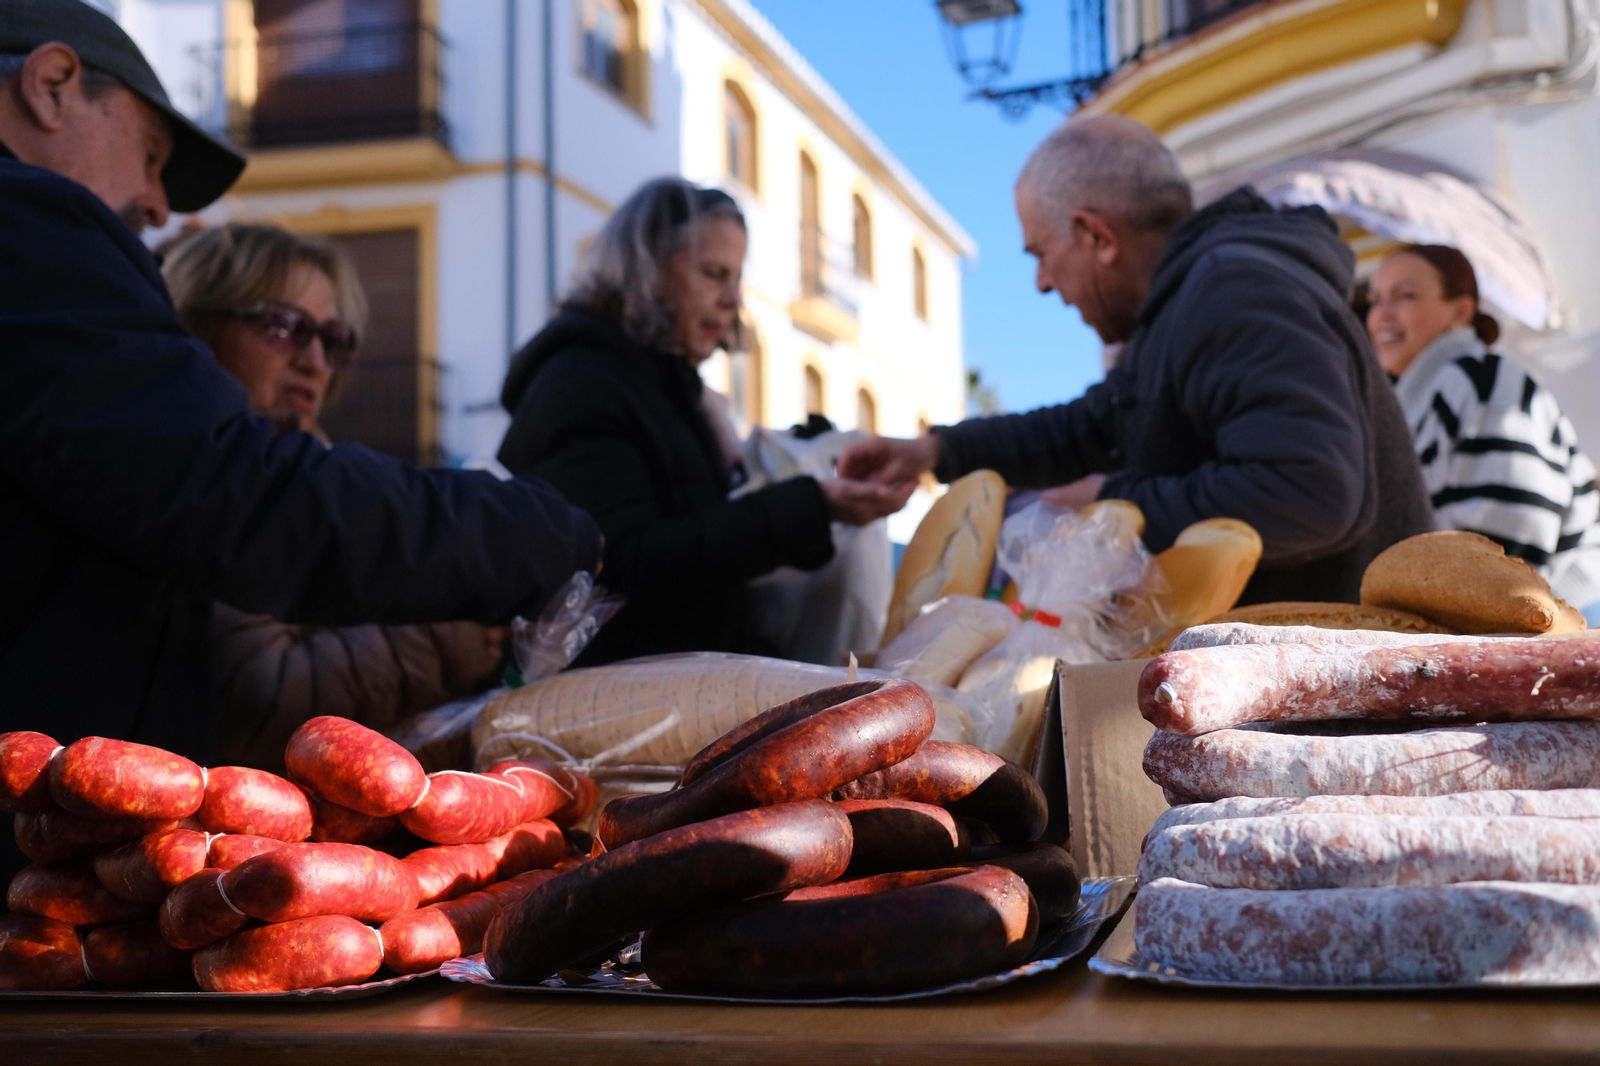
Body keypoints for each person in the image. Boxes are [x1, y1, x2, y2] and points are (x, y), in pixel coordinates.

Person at [0, 3, 598, 874]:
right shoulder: (26, 221)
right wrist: (536, 532)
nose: (158, 206)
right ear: (53, 86)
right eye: (153, 157)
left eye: (337, 340)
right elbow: (228, 493)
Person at [841, 115, 1432, 604]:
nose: (1043, 283)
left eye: (1041, 253)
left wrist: (1117, 504)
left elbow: (1312, 493)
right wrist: (936, 450)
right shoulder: (1184, 309)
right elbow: (1086, 427)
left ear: (1098, 237)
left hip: (1346, 705)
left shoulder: (1233, 289)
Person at [497, 178, 911, 665]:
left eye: (736, 279)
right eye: (714, 274)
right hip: (622, 701)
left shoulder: (669, 388)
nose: (733, 300)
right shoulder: (582, 384)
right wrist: (810, 507)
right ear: (646, 272)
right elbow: (627, 563)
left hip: (678, 681)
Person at [162, 223, 507, 768]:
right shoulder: (199, 477)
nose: (315, 361)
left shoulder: (313, 471)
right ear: (202, 325)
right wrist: (453, 632)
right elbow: (264, 701)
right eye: (284, 327)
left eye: (333, 340)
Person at [1367, 244, 1600, 616]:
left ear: (1461, 312)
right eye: (1375, 299)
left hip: (1552, 620)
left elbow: (1515, 538)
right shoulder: (1425, 395)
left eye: (1405, 296)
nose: (1381, 315)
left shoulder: (1486, 380)